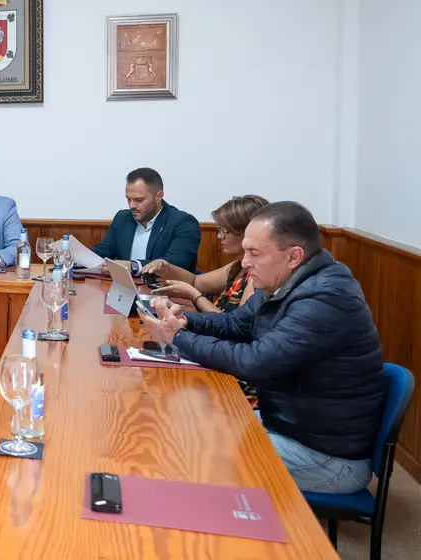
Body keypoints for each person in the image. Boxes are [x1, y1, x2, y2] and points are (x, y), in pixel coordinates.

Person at [143, 201, 385, 493]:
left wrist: (177, 338)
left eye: (254, 253)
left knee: (198, 456)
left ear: (293, 256)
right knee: (189, 428)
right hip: (285, 424)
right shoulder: (284, 282)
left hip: (327, 455)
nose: (244, 262)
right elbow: (234, 324)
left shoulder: (325, 299)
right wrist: (184, 322)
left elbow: (255, 362)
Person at [143, 195, 270, 314]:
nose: (219, 236)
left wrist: (195, 297)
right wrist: (165, 265)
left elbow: (234, 327)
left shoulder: (257, 276)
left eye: (225, 231)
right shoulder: (238, 266)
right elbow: (195, 281)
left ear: (246, 232)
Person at [90, 167, 200, 272]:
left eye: (138, 200)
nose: (132, 205)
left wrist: (134, 266)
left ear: (159, 196)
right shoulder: (122, 219)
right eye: (129, 199)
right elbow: (101, 252)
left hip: (165, 289)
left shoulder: (183, 223)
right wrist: (77, 257)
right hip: (126, 289)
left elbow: (176, 264)